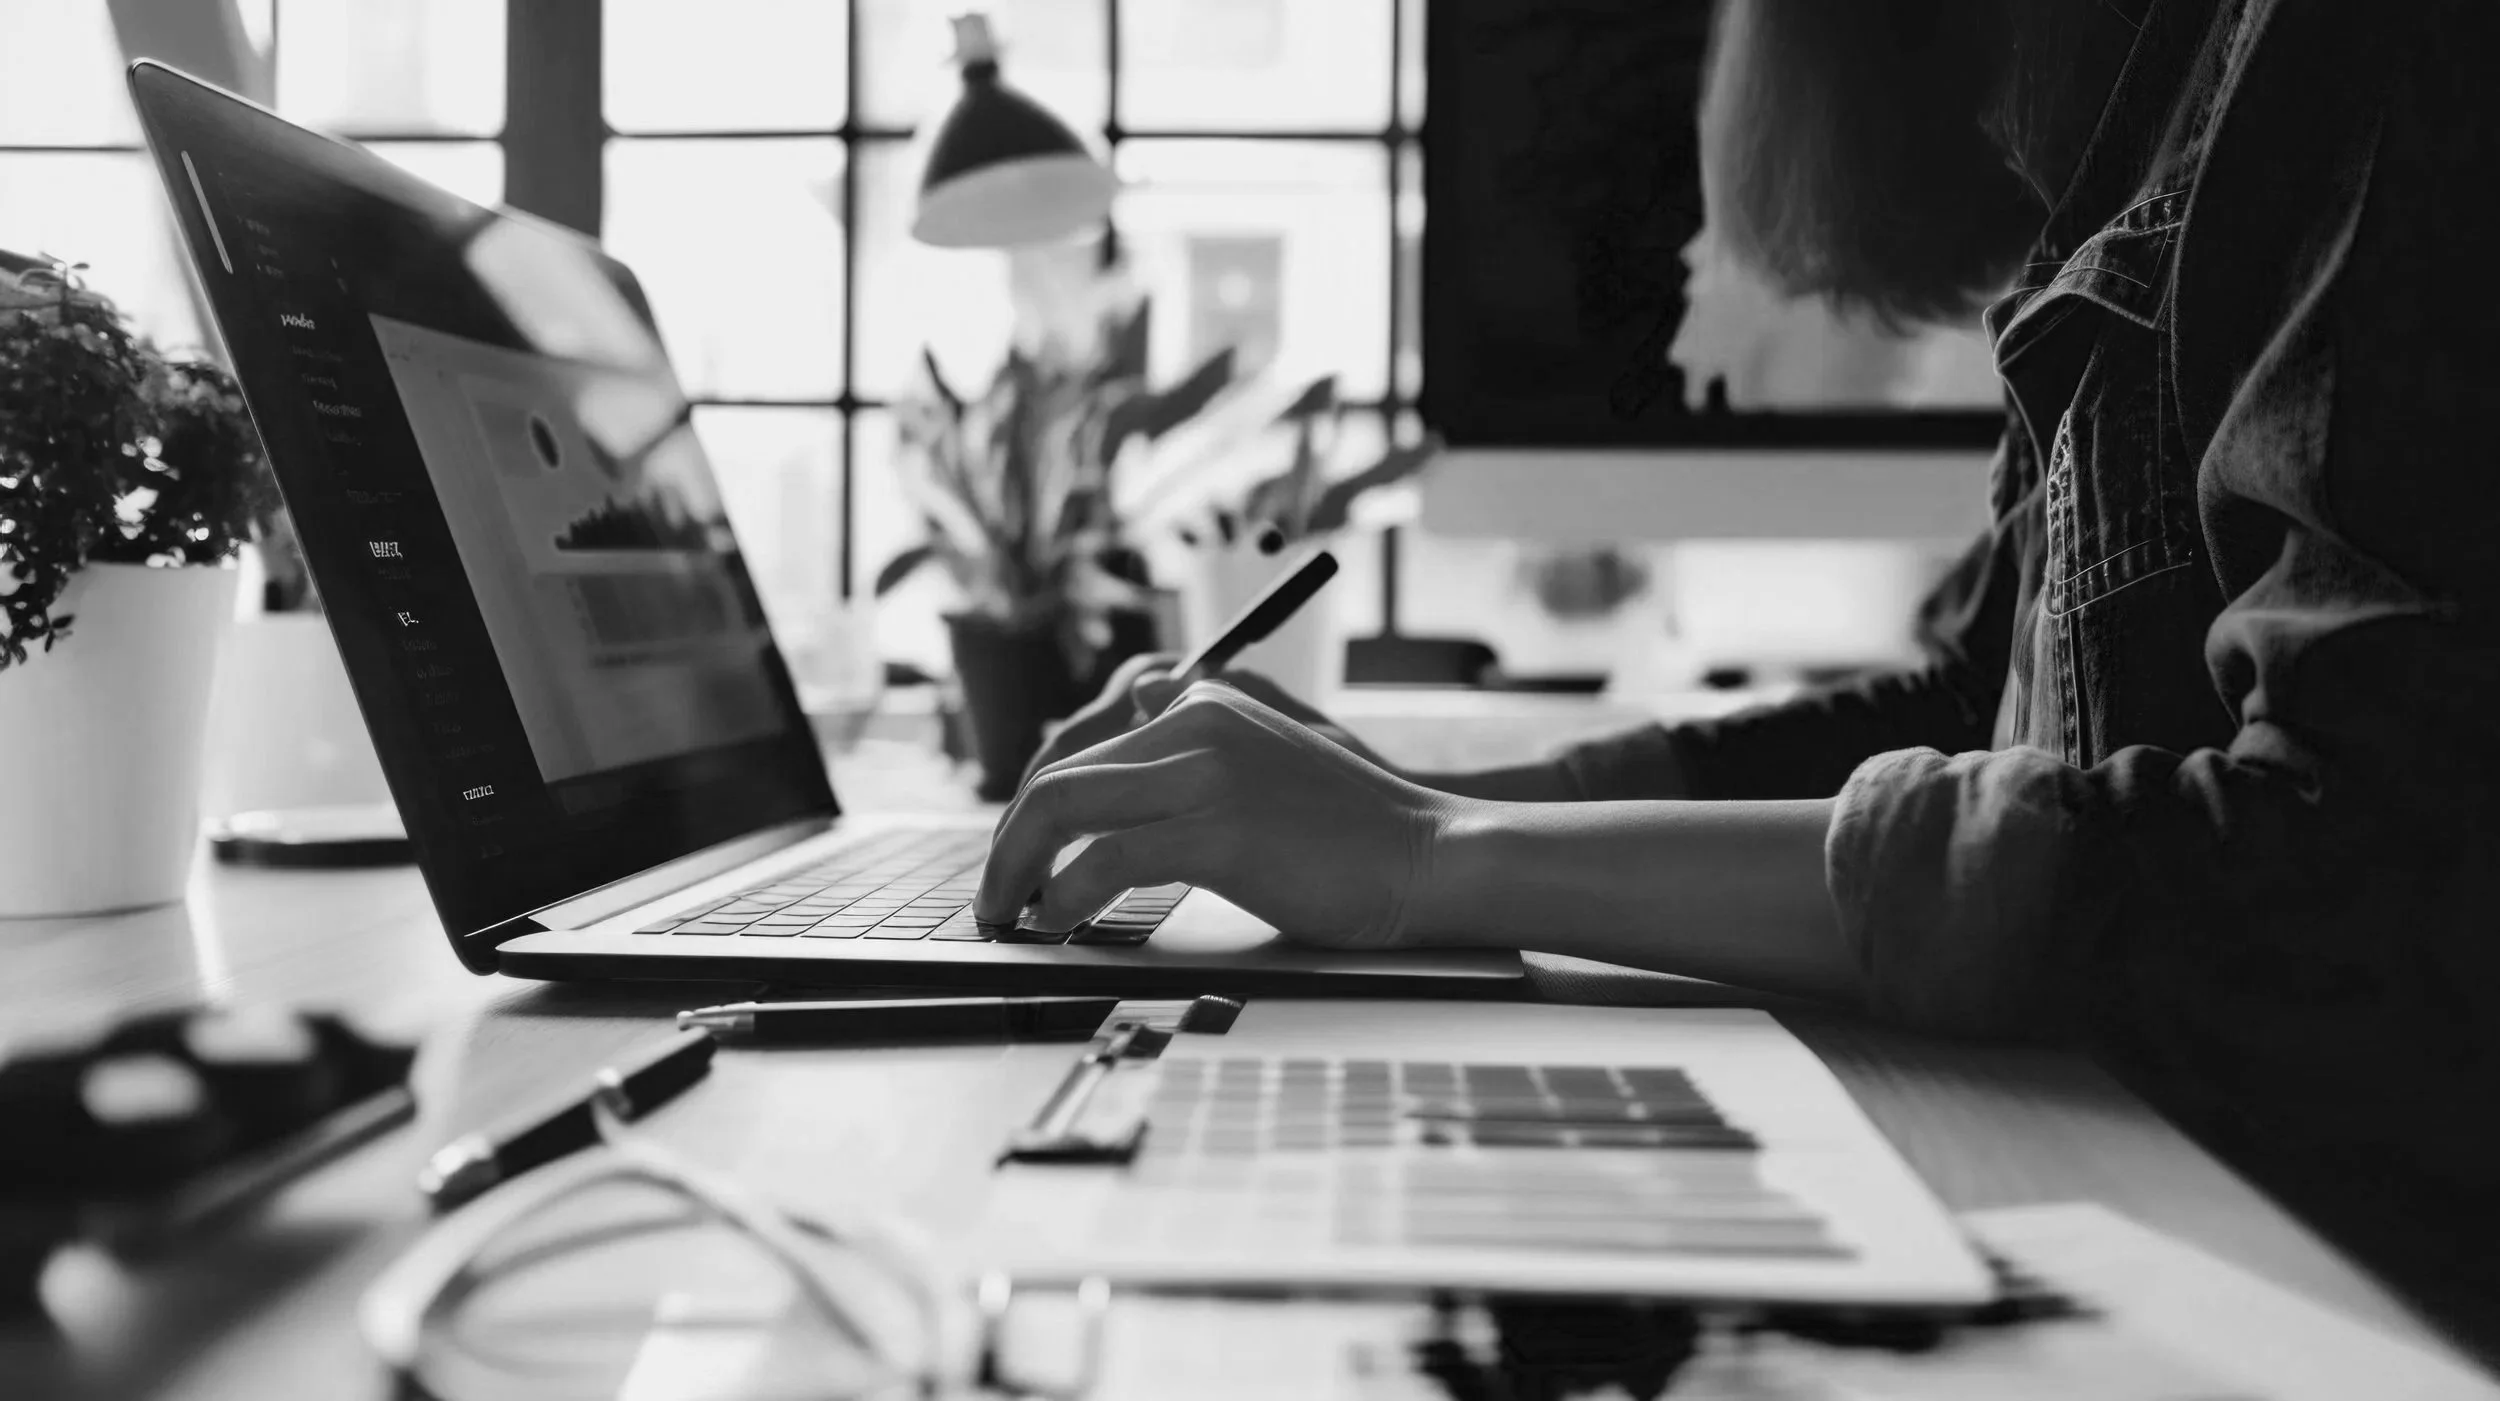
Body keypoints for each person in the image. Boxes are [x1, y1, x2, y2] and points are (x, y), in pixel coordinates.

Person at [976, 0, 2500, 1355]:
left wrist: (1434, 857)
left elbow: (2348, 859)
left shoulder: (2353, 48)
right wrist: (1407, 795)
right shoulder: (2126, 139)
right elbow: (1971, 712)